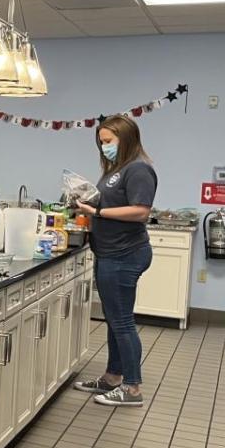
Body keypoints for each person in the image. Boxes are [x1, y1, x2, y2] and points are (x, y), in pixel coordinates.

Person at [73, 115, 156, 407]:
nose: (104, 146)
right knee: (115, 320)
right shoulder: (115, 170)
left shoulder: (138, 169)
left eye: (108, 141)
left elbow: (140, 211)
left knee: (121, 322)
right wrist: (88, 203)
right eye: (101, 142)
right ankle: (112, 378)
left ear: (126, 138)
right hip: (109, 252)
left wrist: (98, 213)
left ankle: (132, 389)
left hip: (124, 255)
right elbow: (110, 202)